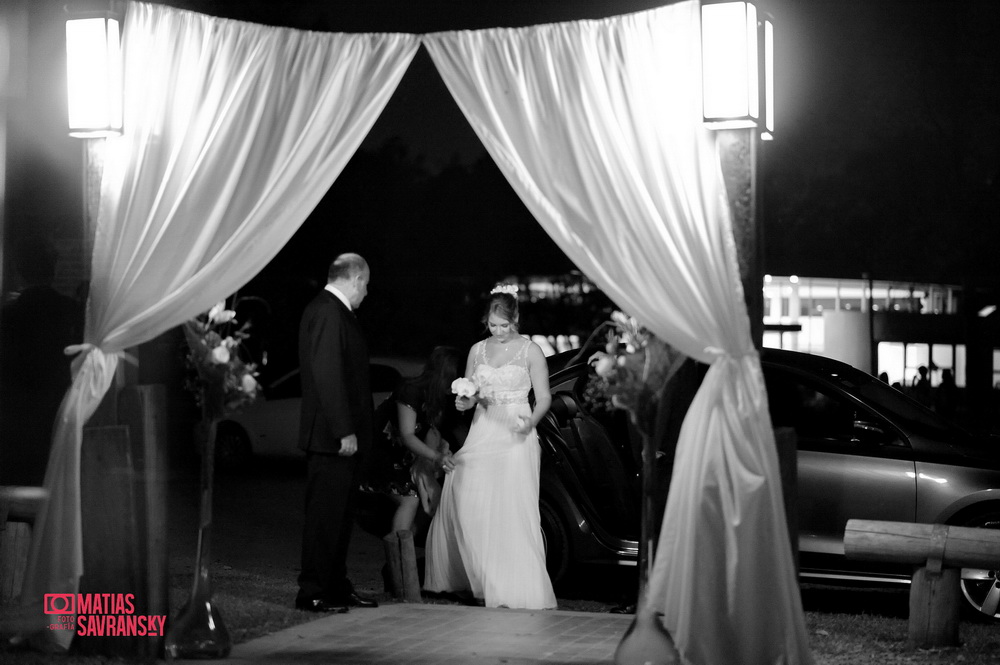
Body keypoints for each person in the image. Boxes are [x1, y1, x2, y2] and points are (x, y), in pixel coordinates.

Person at [423, 283, 557, 610]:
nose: (498, 331)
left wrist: (532, 421)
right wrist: (466, 403)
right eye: (493, 325)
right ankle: (480, 577)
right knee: (466, 493)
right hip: (484, 427)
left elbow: (544, 398)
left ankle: (515, 587)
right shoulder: (477, 350)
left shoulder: (531, 351)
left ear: (516, 319)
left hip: (516, 430)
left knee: (511, 508)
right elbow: (471, 393)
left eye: (504, 325)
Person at [294, 253, 379, 613]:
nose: (366, 293)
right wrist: (344, 430)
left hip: (340, 440)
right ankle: (312, 591)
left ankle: (336, 586)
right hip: (331, 440)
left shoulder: (335, 311)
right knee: (324, 519)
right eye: (366, 285)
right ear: (356, 278)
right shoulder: (329, 311)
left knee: (341, 519)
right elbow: (327, 374)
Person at [367, 345, 466, 534]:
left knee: (437, 495)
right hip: (384, 455)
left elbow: (434, 431)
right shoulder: (410, 390)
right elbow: (407, 435)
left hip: (409, 457)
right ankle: (400, 553)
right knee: (410, 498)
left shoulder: (438, 399)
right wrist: (436, 457)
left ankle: (406, 542)